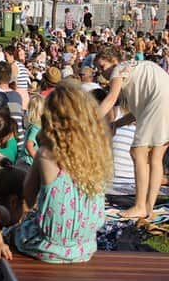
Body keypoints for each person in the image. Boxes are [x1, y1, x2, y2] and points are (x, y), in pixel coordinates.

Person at [15, 81, 111, 262]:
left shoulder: (46, 154)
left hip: (49, 246)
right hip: (85, 246)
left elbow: (27, 200)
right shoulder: (97, 154)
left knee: (7, 231)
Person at [95, 46, 169, 219]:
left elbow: (111, 98)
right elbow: (137, 113)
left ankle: (140, 205)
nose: (102, 72)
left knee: (137, 152)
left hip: (159, 100)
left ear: (113, 61)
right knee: (156, 156)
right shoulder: (136, 69)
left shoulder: (118, 70)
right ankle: (149, 207)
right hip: (164, 98)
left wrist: (90, 120)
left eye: (102, 66)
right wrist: (116, 124)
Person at [17, 94, 45, 167]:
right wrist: (39, 160)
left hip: (25, 160)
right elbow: (29, 145)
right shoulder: (36, 127)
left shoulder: (32, 125)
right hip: (29, 162)